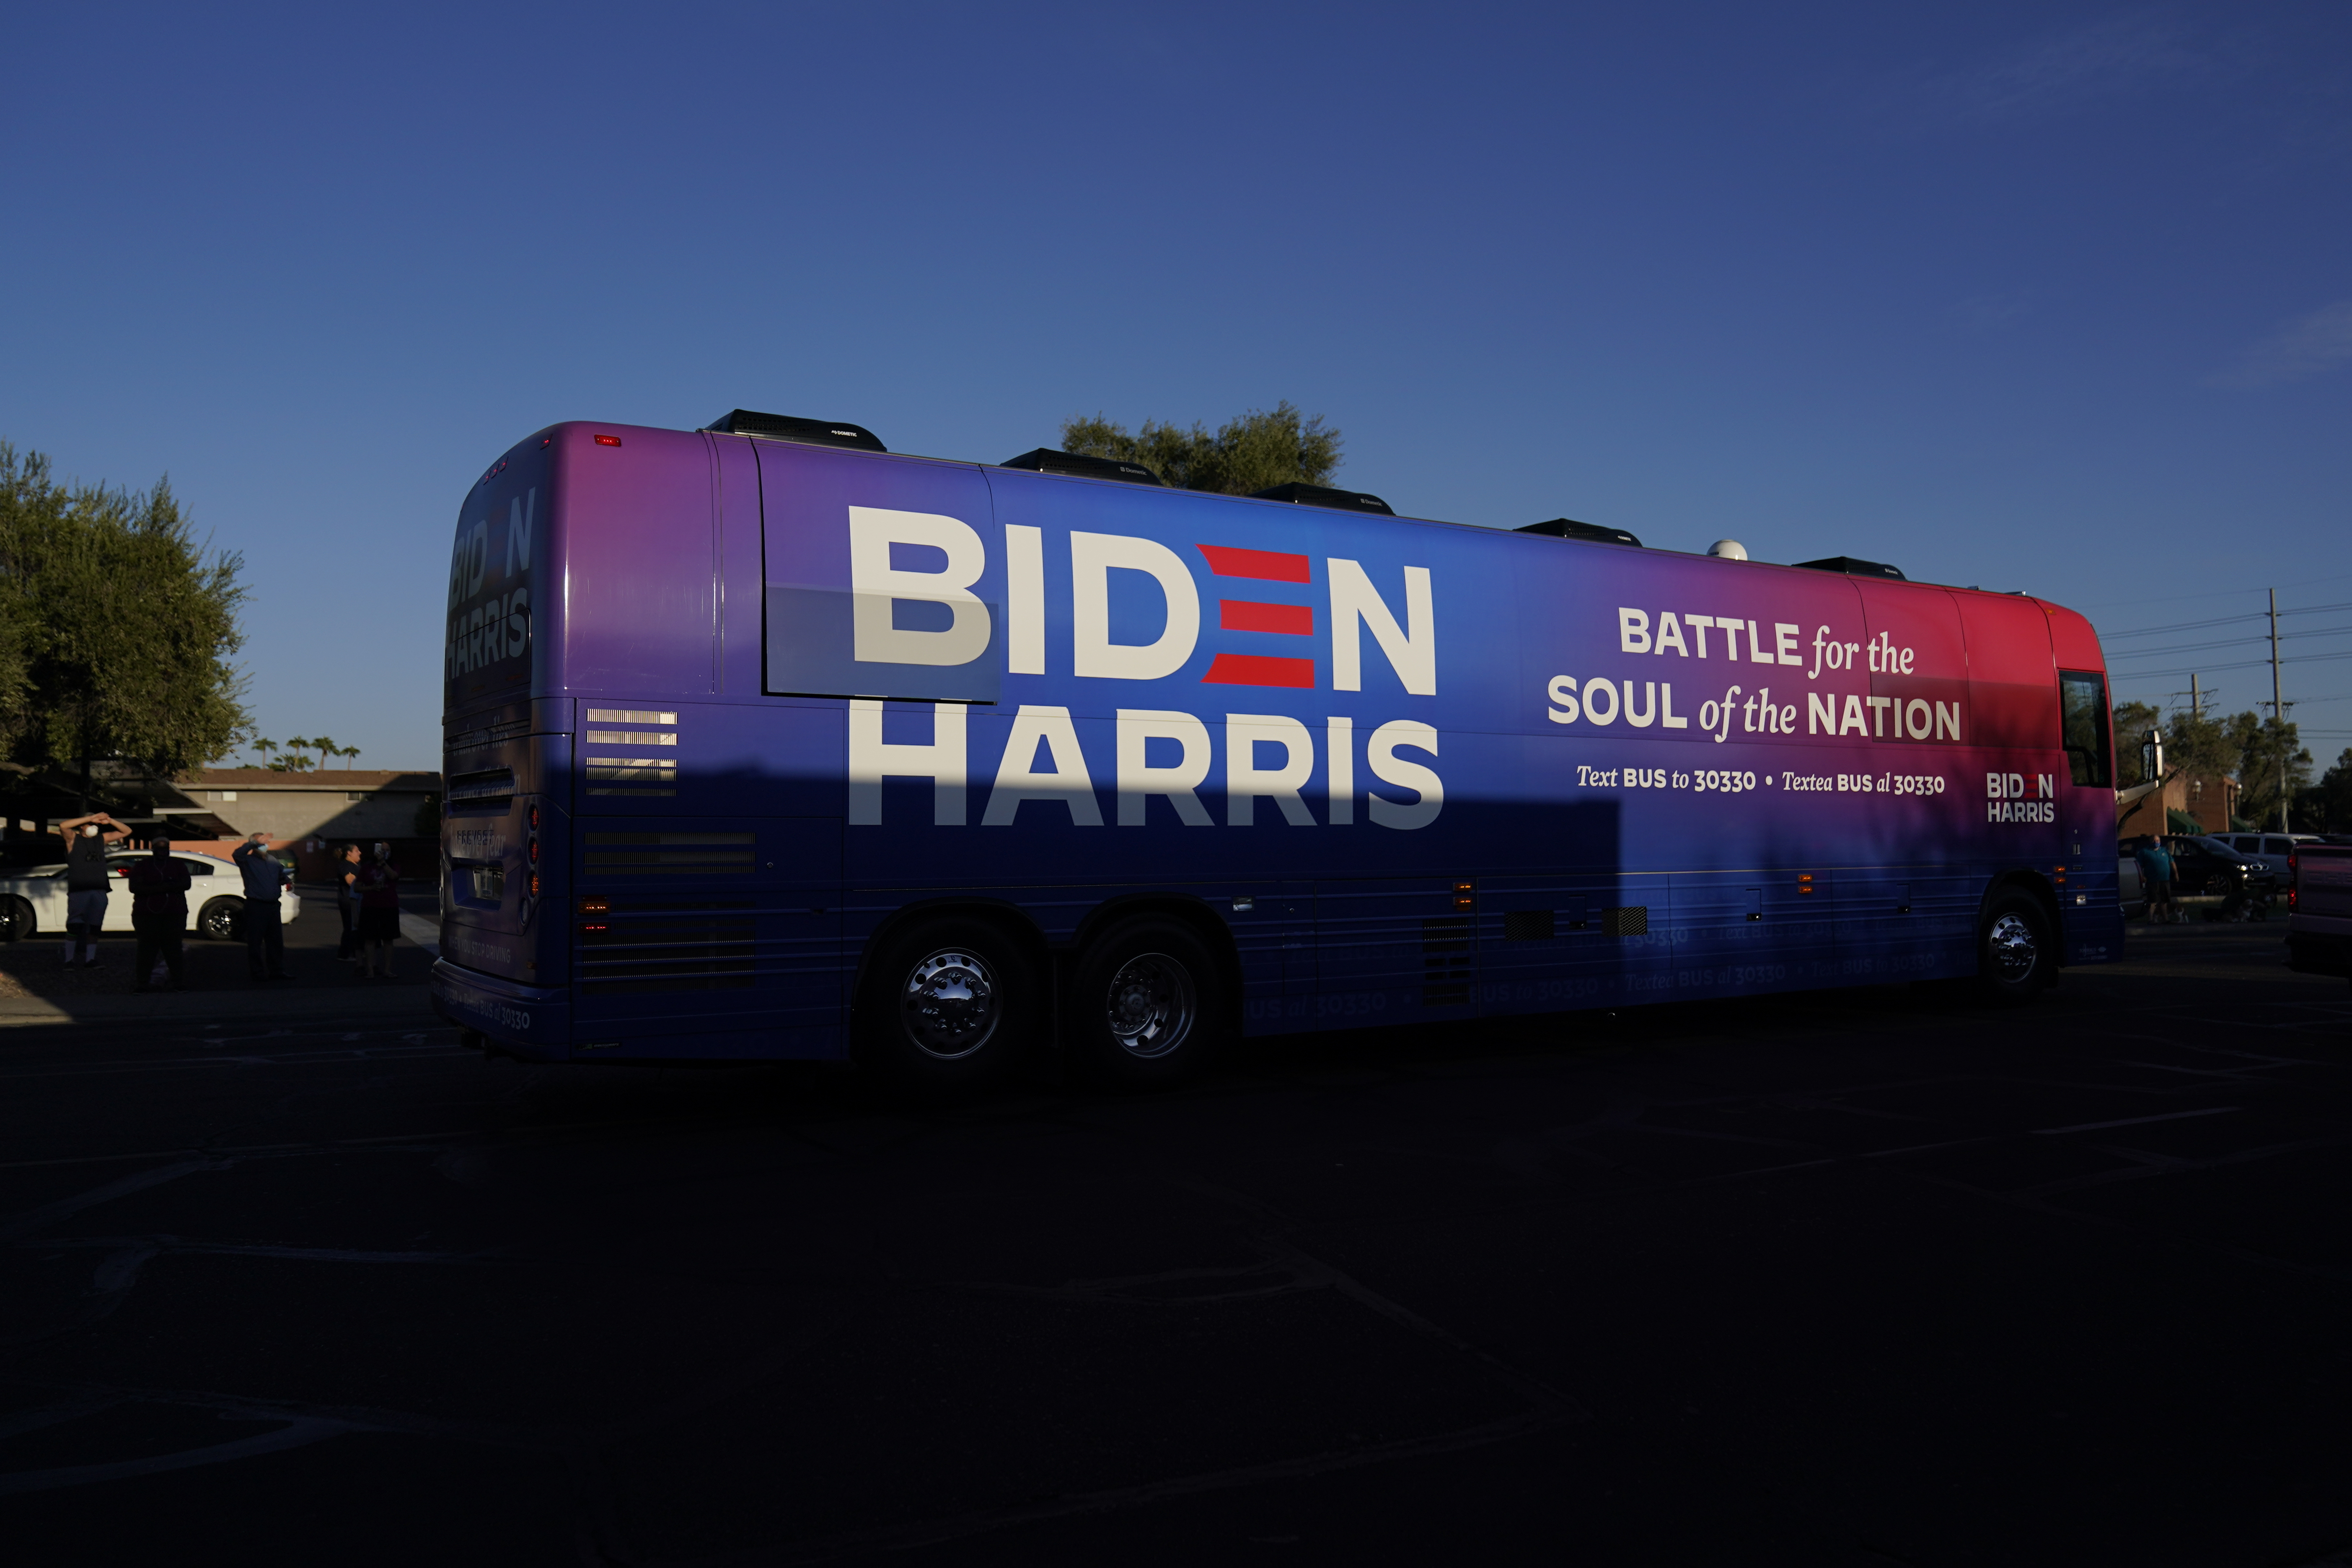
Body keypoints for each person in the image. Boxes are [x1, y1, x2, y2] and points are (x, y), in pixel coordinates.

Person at [57, 812, 128, 968]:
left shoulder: (101, 840)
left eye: (95, 824)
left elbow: (126, 832)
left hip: (99, 890)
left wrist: (109, 820)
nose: (93, 827)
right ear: (82, 826)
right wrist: (90, 818)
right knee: (74, 926)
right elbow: (63, 826)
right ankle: (69, 960)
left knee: (95, 927)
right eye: (90, 824)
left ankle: (90, 959)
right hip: (79, 890)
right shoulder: (73, 839)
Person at [125, 838, 193, 992]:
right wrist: (165, 887)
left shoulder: (178, 865)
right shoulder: (142, 865)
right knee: (146, 949)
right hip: (147, 915)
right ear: (153, 849)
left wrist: (156, 887)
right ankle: (142, 983)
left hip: (174, 913)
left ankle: (178, 982)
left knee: (174, 949)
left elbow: (186, 884)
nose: (163, 852)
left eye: (166, 848)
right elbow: (135, 887)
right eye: (159, 849)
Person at [232, 832, 293, 983]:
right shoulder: (247, 860)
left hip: (273, 906)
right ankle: (258, 973)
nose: (266, 845)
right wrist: (254, 843)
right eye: (262, 843)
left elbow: (281, 876)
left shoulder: (272, 861)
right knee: (256, 941)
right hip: (256, 905)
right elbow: (237, 854)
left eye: (266, 843)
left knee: (276, 941)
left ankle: (277, 971)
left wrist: (284, 879)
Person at [354, 841, 401, 979]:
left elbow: (394, 876)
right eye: (383, 850)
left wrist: (383, 863)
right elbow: (357, 888)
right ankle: (370, 971)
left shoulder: (394, 865)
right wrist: (371, 888)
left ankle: (387, 970)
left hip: (389, 906)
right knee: (370, 939)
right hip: (370, 906)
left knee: (388, 939)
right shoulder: (367, 867)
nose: (385, 852)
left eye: (388, 850)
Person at [2136, 836, 2176, 924]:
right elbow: (2139, 866)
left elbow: (2172, 862)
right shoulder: (2144, 852)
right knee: (2152, 901)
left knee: (2164, 901)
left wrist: (2176, 874)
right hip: (2152, 881)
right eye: (2154, 841)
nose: (2156, 842)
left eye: (2157, 840)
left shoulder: (2164, 851)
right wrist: (2142, 876)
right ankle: (2150, 920)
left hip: (2164, 880)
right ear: (2150, 842)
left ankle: (2166, 919)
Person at [335, 842, 363, 960]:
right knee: (350, 926)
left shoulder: (355, 865)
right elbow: (351, 881)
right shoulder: (346, 865)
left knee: (356, 927)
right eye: (357, 851)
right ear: (349, 853)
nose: (360, 853)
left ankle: (356, 952)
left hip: (357, 900)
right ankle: (345, 954)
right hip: (348, 900)